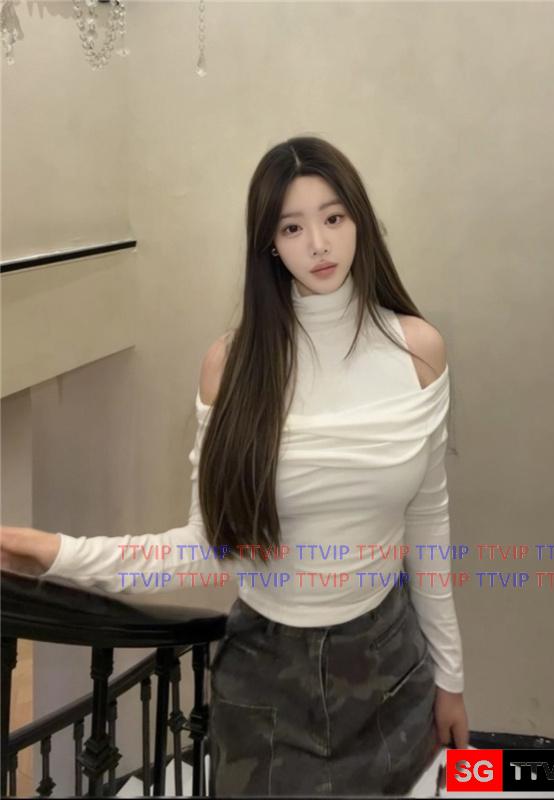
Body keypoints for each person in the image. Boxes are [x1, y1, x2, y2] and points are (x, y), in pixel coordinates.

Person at [1, 135, 469, 796]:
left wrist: (450, 678)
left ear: (360, 221)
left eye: (334, 217)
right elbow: (204, 548)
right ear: (269, 244)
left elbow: (428, 525)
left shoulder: (418, 353)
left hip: (389, 663)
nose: (319, 244)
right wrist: (54, 553)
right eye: (292, 227)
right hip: (268, 676)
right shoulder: (232, 367)